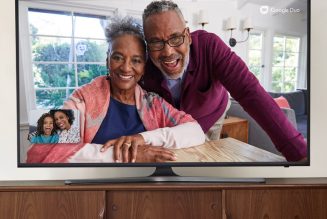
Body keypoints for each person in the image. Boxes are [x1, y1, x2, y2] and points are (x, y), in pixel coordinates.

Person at [141, 0, 307, 161]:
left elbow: (250, 91)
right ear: (148, 46)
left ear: (188, 36)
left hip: (211, 114)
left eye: (176, 38)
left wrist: (298, 151)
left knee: (208, 157)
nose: (168, 51)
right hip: (169, 125)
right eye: (156, 42)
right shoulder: (142, 65)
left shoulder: (210, 46)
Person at [63, 16, 205, 163]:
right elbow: (45, 148)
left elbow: (196, 131)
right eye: (117, 57)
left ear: (144, 67)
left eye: (136, 60)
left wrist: (143, 138)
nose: (125, 68)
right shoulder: (81, 98)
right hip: (98, 183)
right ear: (107, 60)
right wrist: (129, 155)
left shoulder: (152, 103)